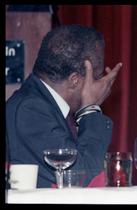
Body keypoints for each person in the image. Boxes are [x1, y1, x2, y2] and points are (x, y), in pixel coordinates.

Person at [6, 25, 122, 188]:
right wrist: (91, 108)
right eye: (97, 77)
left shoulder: (44, 104)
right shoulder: (31, 110)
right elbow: (86, 178)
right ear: (74, 80)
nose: (101, 86)